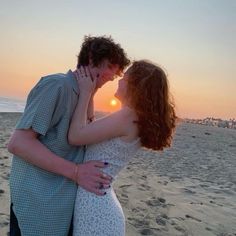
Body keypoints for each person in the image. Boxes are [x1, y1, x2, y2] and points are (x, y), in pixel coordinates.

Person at [7, 35, 130, 236]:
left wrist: (89, 94)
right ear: (91, 59)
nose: (112, 75)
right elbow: (18, 143)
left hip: (61, 203)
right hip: (37, 203)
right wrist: (76, 171)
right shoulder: (57, 86)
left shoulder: (84, 93)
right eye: (110, 66)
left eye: (116, 73)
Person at [68, 60, 177, 236]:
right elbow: (90, 129)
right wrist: (92, 93)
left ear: (136, 86)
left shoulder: (128, 117)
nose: (119, 81)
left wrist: (85, 93)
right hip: (99, 204)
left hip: (96, 209)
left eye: (125, 78)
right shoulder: (134, 118)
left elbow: (76, 136)